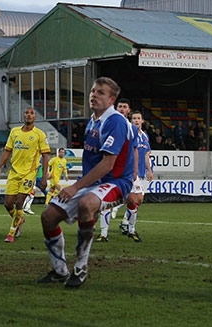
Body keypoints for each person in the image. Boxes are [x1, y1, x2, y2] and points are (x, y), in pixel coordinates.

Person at [37, 77, 135, 288]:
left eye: (100, 92)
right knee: (48, 218)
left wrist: (75, 187)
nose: (94, 95)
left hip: (117, 182)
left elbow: (108, 164)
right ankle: (60, 270)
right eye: (92, 91)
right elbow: (92, 162)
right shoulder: (92, 121)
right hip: (95, 183)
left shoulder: (115, 121)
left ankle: (80, 269)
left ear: (111, 99)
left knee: (86, 205)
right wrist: (79, 185)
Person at [0, 107, 50, 242]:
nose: (29, 115)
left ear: (35, 117)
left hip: (29, 173)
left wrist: (44, 177)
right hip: (14, 172)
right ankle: (19, 219)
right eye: (27, 113)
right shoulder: (14, 131)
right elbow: (7, 151)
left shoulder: (40, 134)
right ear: (24, 116)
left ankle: (11, 233)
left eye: (32, 113)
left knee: (19, 202)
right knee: (8, 204)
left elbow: (45, 156)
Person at [96, 98, 138, 242]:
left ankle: (131, 230)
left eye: (124, 107)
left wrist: (135, 170)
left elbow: (134, 150)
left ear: (128, 110)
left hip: (125, 172)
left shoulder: (132, 129)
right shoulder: (108, 124)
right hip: (109, 171)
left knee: (132, 200)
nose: (121, 109)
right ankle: (103, 233)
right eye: (119, 106)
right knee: (105, 202)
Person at [122, 110, 154, 242]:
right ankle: (131, 229)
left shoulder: (145, 136)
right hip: (130, 172)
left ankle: (125, 221)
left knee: (139, 200)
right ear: (131, 121)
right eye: (134, 118)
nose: (136, 120)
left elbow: (147, 155)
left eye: (138, 118)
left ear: (142, 121)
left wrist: (149, 170)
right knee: (133, 200)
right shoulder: (128, 134)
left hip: (140, 173)